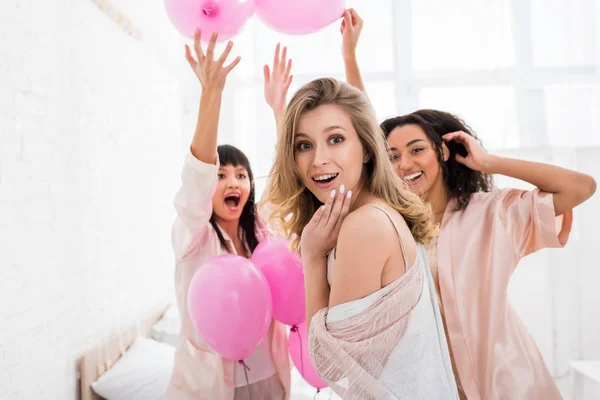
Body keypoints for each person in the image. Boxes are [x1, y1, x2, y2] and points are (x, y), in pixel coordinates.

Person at [341, 8, 598, 399]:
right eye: (392, 155)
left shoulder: (493, 213)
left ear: (443, 152)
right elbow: (365, 134)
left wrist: (490, 161)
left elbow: (580, 187)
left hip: (508, 381)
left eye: (416, 150)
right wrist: (350, 56)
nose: (404, 164)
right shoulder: (391, 225)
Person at [261, 77, 459, 399]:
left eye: (336, 139)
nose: (319, 159)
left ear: (367, 149)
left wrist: (312, 258)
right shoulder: (373, 214)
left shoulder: (364, 226)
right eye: (304, 145)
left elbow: (330, 365)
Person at [164, 30, 291, 400]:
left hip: (269, 377)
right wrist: (211, 95)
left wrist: (279, 109)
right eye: (221, 175)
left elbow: (287, 182)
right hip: (210, 386)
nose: (232, 181)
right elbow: (196, 176)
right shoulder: (193, 237)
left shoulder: (263, 234)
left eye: (240, 174)